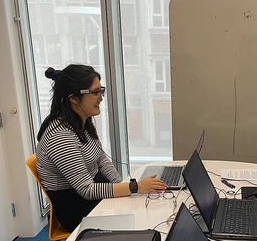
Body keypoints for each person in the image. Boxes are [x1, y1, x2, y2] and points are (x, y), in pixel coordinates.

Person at [36, 64, 167, 232]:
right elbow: (86, 190)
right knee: (142, 222)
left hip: (93, 193)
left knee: (144, 210)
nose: (101, 98)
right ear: (73, 98)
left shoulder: (82, 120)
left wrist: (123, 188)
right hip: (76, 208)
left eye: (101, 91)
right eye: (95, 92)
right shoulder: (61, 137)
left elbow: (101, 159)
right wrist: (134, 188)